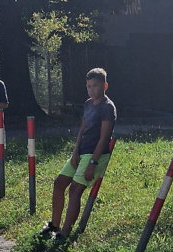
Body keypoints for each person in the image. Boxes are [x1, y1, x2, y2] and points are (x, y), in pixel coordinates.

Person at [39, 68, 116, 243]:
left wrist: (93, 162)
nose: (91, 90)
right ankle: (54, 225)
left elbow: (104, 138)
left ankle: (64, 234)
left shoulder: (107, 107)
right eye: (88, 86)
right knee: (59, 183)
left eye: (95, 86)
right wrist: (75, 152)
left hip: (96, 156)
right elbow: (83, 129)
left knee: (75, 190)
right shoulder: (88, 103)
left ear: (105, 86)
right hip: (81, 153)